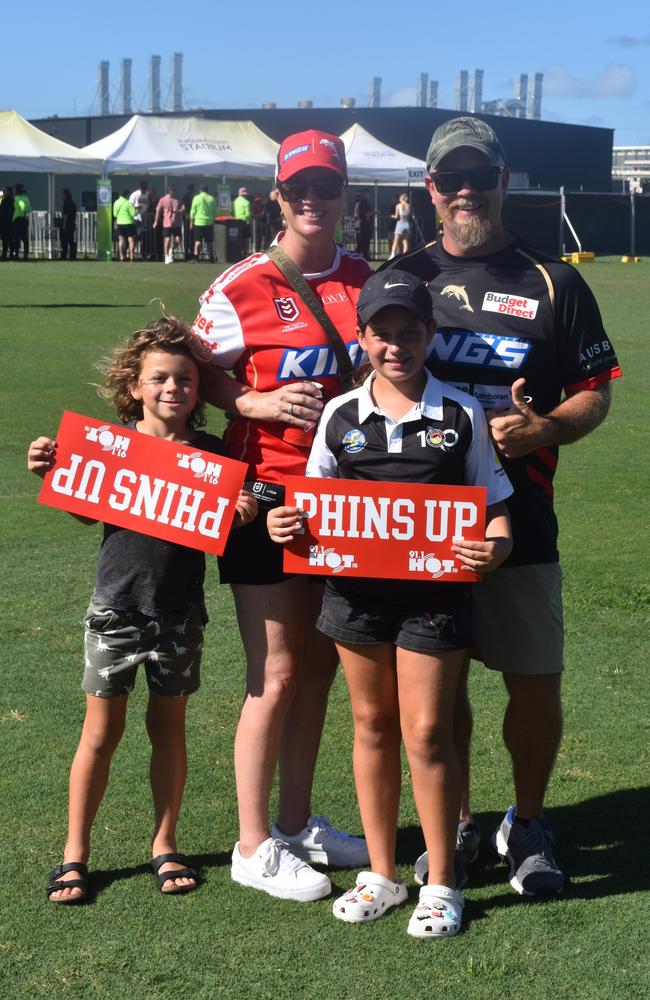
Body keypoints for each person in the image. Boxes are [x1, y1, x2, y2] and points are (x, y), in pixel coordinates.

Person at [383, 116, 622, 896]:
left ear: (502, 181)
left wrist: (545, 427)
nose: (464, 191)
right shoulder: (405, 277)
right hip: (426, 524)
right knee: (438, 687)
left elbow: (597, 393)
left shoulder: (554, 280)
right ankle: (453, 821)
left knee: (533, 680)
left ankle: (527, 818)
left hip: (524, 514)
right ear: (429, 189)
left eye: (477, 177)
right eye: (449, 179)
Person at [268, 269, 513, 937]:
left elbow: (495, 514)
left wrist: (495, 548)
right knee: (372, 725)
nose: (396, 346)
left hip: (434, 600)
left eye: (410, 332)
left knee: (427, 732)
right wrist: (285, 524)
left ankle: (441, 881)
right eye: (383, 334)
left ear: (430, 335)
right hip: (355, 598)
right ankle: (382, 871)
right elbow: (309, 504)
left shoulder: (462, 413)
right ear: (364, 337)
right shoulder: (340, 416)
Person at [191, 129, 373, 901]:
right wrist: (253, 399)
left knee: (323, 669)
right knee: (276, 672)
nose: (313, 200)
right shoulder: (238, 287)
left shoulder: (368, 278)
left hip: (343, 504)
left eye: (325, 187)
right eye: (299, 187)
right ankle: (251, 843)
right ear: (277, 194)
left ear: (343, 196)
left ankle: (297, 825)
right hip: (264, 499)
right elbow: (183, 372)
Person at [27, 316, 257, 904]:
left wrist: (243, 508)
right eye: (158, 379)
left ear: (199, 389)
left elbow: (226, 521)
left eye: (184, 379)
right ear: (134, 386)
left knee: (168, 731)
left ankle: (164, 844)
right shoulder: (109, 447)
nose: (171, 389)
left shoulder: (210, 456)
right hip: (116, 610)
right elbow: (86, 511)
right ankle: (74, 853)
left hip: (180, 614)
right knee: (100, 733)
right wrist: (53, 469)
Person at [154, 184, 185, 264]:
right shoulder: (163, 199)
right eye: (172, 190)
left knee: (179, 240)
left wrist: (178, 211)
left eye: (174, 190)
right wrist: (156, 222)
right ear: (168, 191)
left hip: (177, 223)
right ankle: (166, 256)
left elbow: (183, 209)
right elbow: (158, 211)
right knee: (167, 240)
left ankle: (171, 250)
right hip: (167, 223)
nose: (173, 192)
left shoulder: (178, 199)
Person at [190, 185, 216, 263]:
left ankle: (196, 258)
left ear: (200, 190)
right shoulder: (212, 198)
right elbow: (215, 211)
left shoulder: (196, 198)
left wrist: (191, 222)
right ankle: (211, 258)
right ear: (207, 190)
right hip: (209, 222)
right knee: (209, 242)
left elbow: (193, 211)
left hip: (198, 222)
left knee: (197, 242)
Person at [113, 189, 137, 261]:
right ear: (127, 195)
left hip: (120, 223)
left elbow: (115, 214)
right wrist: (137, 210)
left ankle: (121, 256)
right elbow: (133, 214)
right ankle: (131, 257)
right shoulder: (129, 203)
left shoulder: (116, 202)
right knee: (131, 240)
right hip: (129, 223)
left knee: (121, 240)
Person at [389, 192, 413, 259]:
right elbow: (412, 216)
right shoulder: (409, 205)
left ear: (401, 198)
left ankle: (392, 255)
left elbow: (396, 217)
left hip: (400, 223)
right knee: (405, 241)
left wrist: (391, 216)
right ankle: (405, 256)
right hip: (407, 223)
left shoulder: (398, 206)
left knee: (396, 240)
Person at [129, 180, 149, 259]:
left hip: (145, 219)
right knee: (135, 237)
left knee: (143, 237)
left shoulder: (148, 194)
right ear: (140, 187)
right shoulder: (135, 194)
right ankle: (131, 253)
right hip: (136, 218)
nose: (144, 190)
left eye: (145, 188)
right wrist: (137, 207)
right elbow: (129, 206)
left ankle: (142, 253)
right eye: (142, 188)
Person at [11, 182, 31, 260]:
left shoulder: (16, 198)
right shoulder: (26, 198)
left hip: (17, 219)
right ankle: (26, 254)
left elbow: (22, 206)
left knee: (16, 238)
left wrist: (23, 211)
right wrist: (25, 214)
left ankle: (16, 253)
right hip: (24, 219)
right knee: (25, 238)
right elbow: (28, 209)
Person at [353, 188, 373, 260]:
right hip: (363, 223)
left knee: (364, 240)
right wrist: (374, 213)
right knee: (363, 240)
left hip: (363, 223)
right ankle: (358, 254)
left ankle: (365, 255)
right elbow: (365, 214)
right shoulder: (363, 202)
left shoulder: (362, 202)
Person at [59, 189, 78, 260]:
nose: (61, 196)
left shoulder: (66, 204)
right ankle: (73, 255)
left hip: (67, 224)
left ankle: (64, 255)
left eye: (62, 195)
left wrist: (63, 224)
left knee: (64, 241)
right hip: (72, 223)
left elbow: (65, 215)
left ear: (66, 195)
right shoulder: (73, 203)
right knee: (71, 240)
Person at [0, 186, 14, 260]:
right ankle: (7, 254)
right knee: (6, 240)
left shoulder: (7, 201)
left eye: (5, 191)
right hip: (7, 222)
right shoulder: (5, 200)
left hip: (7, 222)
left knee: (7, 240)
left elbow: (3, 212)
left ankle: (7, 255)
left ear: (9, 192)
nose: (4, 192)